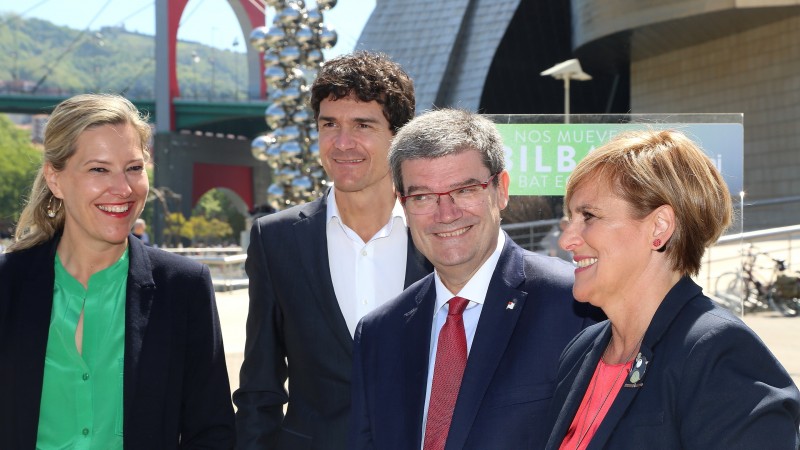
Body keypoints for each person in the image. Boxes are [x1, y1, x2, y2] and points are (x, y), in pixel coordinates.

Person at [349, 109, 601, 449]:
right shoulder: (380, 332)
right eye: (422, 196)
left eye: (465, 190)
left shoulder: (576, 304)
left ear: (501, 190)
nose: (446, 214)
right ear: (402, 205)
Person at [0, 94, 235, 449]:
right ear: (55, 178)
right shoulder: (6, 285)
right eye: (99, 169)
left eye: (134, 168)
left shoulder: (184, 288)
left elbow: (211, 431)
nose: (123, 189)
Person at [543, 129, 800, 449]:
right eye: (570, 218)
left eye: (589, 216)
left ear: (659, 228)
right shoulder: (582, 350)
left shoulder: (719, 354)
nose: (567, 240)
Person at [233, 51, 432, 449]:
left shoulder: (437, 232)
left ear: (400, 135)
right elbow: (260, 386)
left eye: (363, 124)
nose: (342, 143)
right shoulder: (276, 239)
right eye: (329, 124)